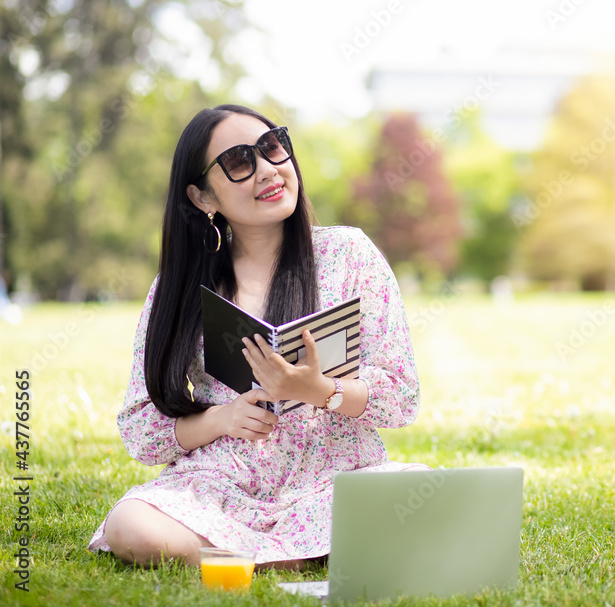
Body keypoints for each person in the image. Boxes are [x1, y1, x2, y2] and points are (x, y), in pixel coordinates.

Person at [88, 104, 426, 570]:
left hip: (335, 479)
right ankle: (298, 556)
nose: (268, 170)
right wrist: (221, 419)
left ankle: (248, 559)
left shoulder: (349, 254)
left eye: (272, 148)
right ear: (204, 197)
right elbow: (142, 429)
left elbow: (401, 396)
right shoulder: (180, 284)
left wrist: (320, 391)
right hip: (220, 485)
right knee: (132, 525)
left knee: (423, 493)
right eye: (240, 162)